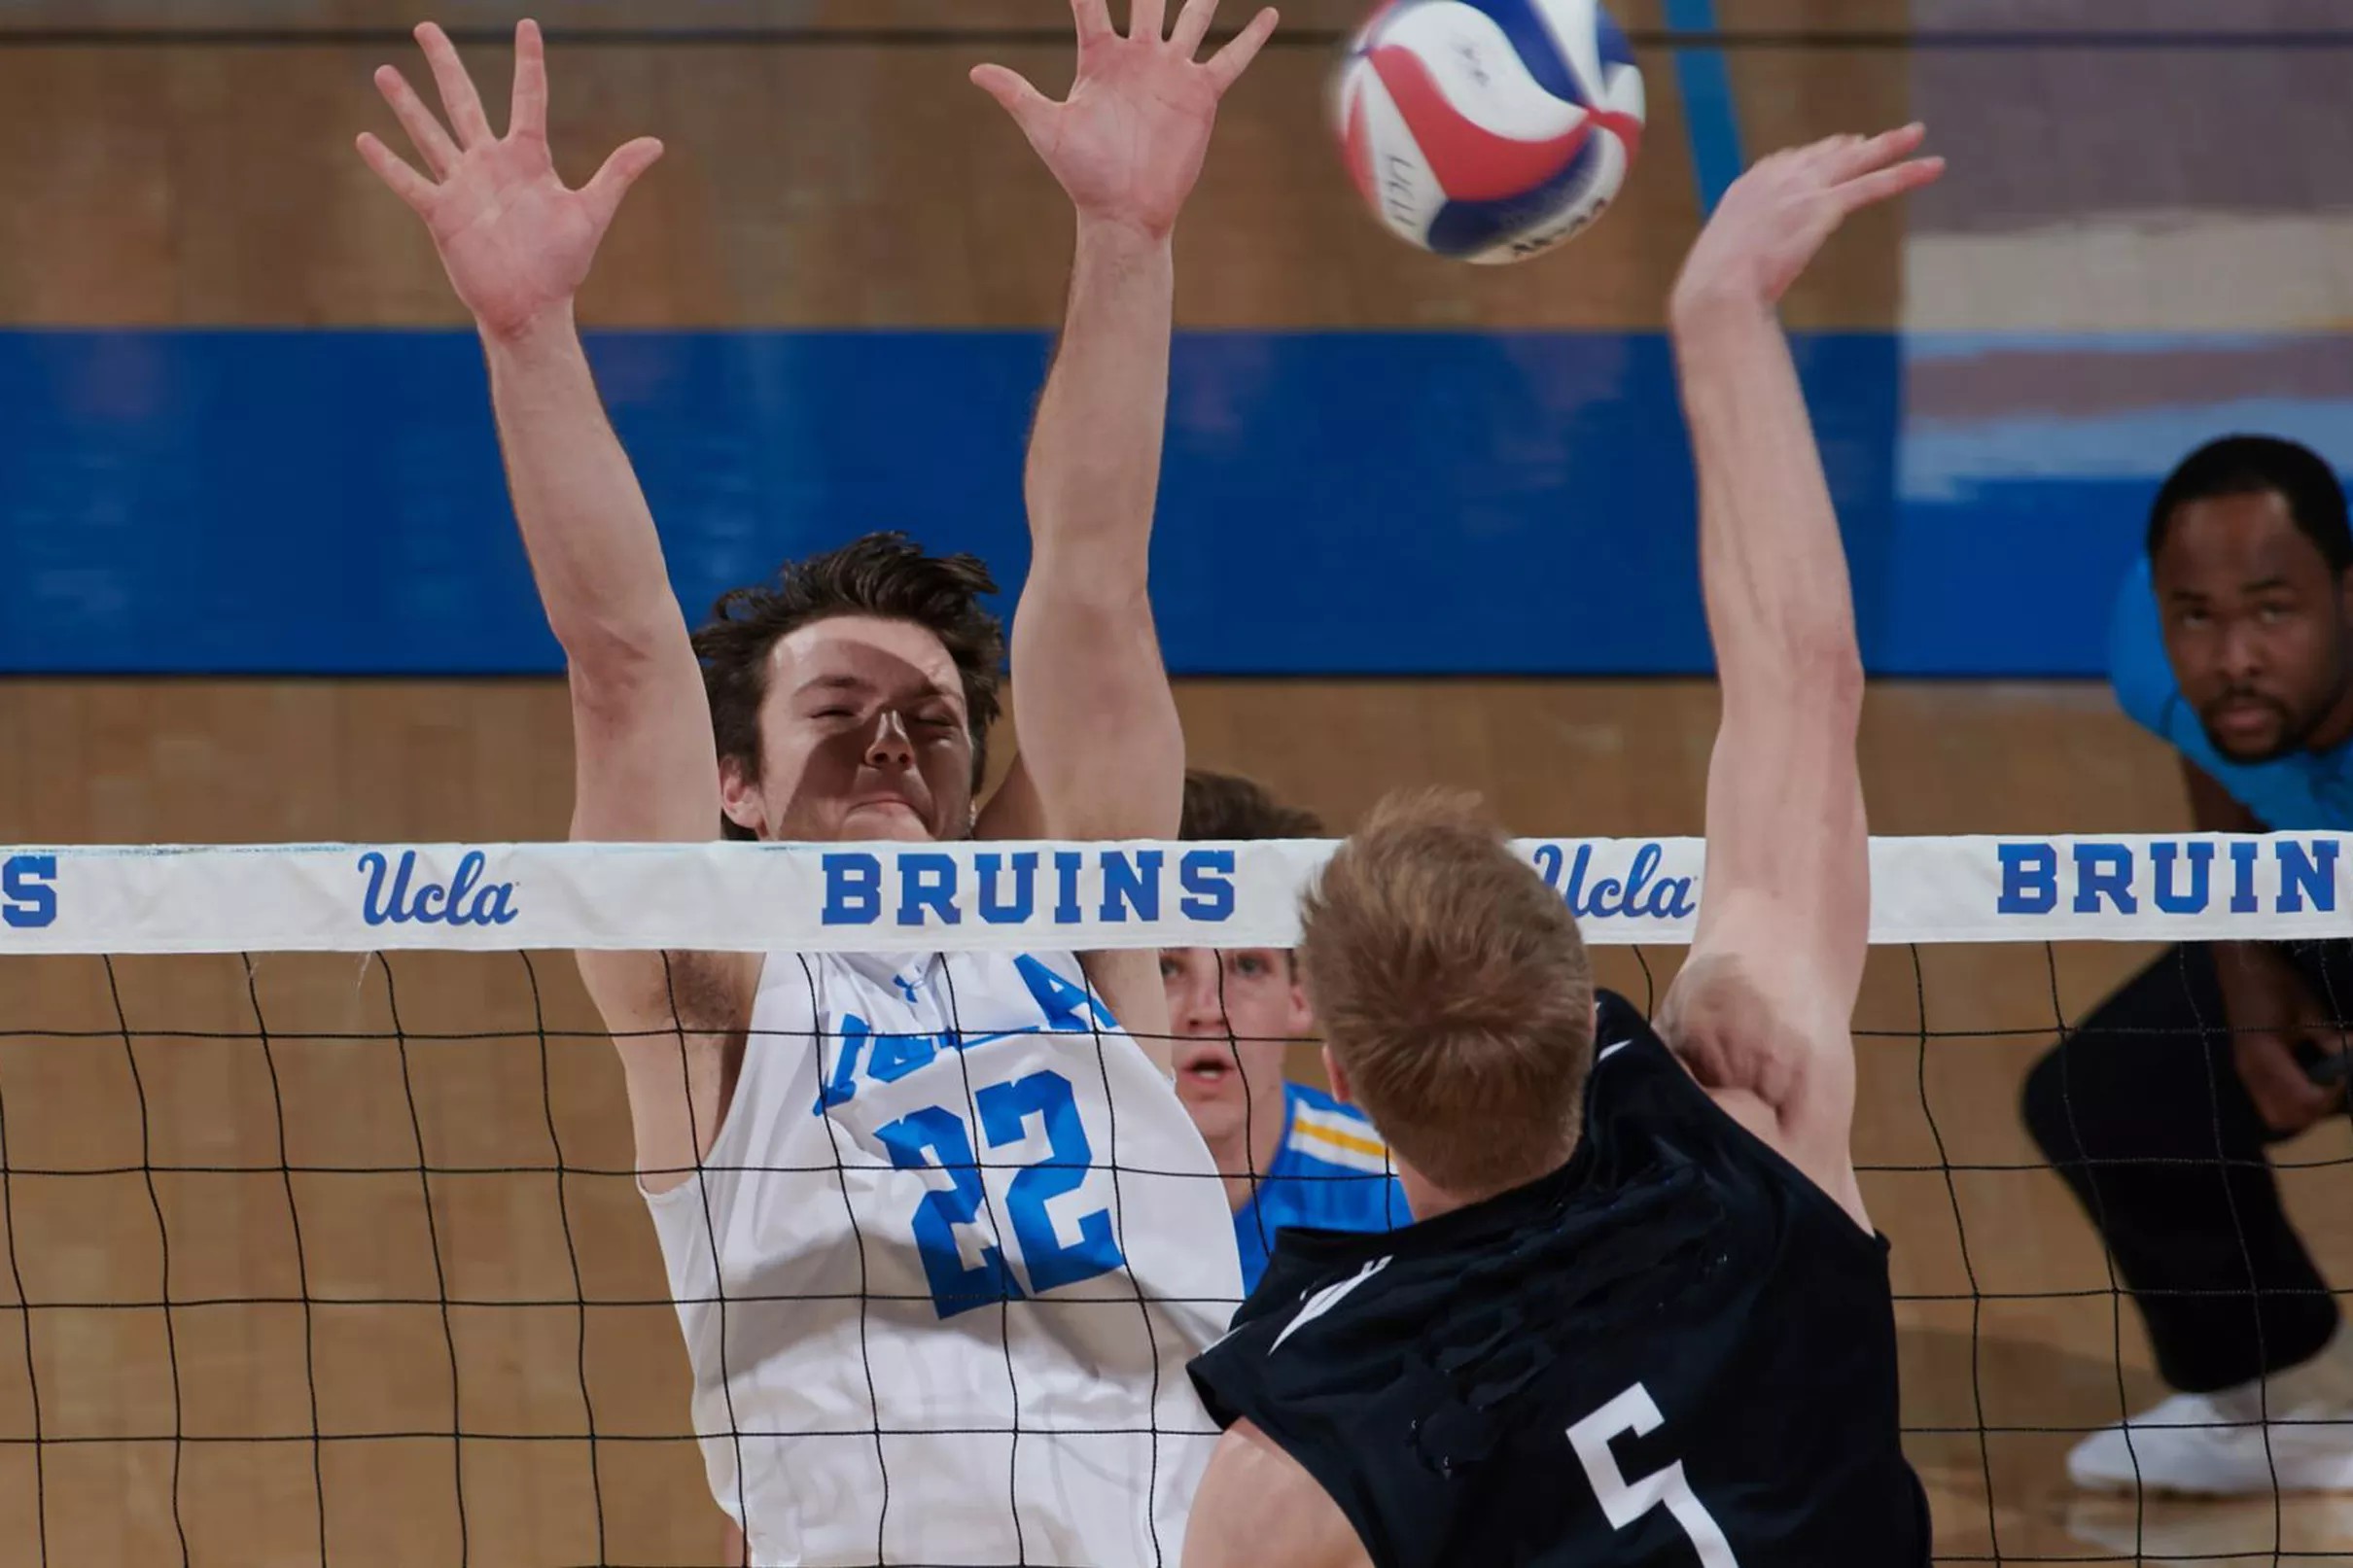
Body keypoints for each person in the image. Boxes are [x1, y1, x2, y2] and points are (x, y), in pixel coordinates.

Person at [356, 6, 1275, 1563]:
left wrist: (1127, 235)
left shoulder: (1070, 933)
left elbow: (1097, 588)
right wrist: (529, 334)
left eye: (928, 716)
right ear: (736, 784)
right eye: (838, 712)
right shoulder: (721, 997)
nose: (895, 740)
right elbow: (625, 661)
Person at [1179, 126, 1943, 1567]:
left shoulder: (1301, 1451)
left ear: (1344, 1073)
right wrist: (1724, 314)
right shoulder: (1743, 1123)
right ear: (1569, 987)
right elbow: (1803, 679)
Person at [2023, 434, 2353, 1497]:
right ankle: (2278, 1404)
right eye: (2196, 614)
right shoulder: (2154, 648)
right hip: (2321, 883)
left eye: (2272, 610)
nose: (2231, 657)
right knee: (2110, 1094)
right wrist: (2249, 983)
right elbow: (2218, 743)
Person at [1165, 771, 1408, 1290]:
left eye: (1248, 966)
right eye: (1167, 968)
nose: (1208, 1008)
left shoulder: (1398, 1192)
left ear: (1302, 998)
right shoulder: (1038, 1193)